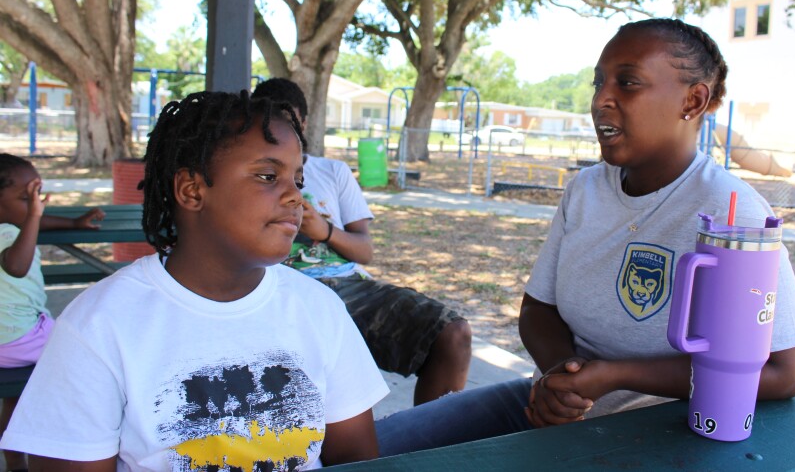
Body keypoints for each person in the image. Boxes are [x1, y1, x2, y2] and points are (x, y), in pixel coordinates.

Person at [374, 18, 795, 455]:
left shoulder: (732, 212)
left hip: (658, 434)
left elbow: (785, 372)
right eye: (599, 82)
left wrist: (614, 376)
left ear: (692, 101)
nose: (602, 99)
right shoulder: (585, 190)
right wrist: (560, 381)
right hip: (550, 408)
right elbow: (538, 310)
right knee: (370, 447)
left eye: (628, 83)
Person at [0, 91, 389, 471]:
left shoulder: (318, 308)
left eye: (298, 180)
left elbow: (355, 457)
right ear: (192, 190)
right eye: (268, 175)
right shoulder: (99, 325)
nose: (294, 198)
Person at [252, 78, 472, 405]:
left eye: (291, 124)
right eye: (270, 125)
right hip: (277, 284)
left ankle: (428, 446)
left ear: (305, 124)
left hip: (347, 286)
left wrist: (323, 231)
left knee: (453, 334)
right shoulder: (246, 174)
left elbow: (365, 250)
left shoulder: (333, 172)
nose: (281, 135)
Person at [0, 153, 105, 472]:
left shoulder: (14, 224)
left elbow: (35, 222)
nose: (35, 206)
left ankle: (15, 459)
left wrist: (72, 223)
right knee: (88, 352)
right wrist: (33, 215)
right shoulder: (6, 232)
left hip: (13, 341)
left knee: (15, 398)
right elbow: (16, 266)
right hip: (19, 339)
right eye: (25, 198)